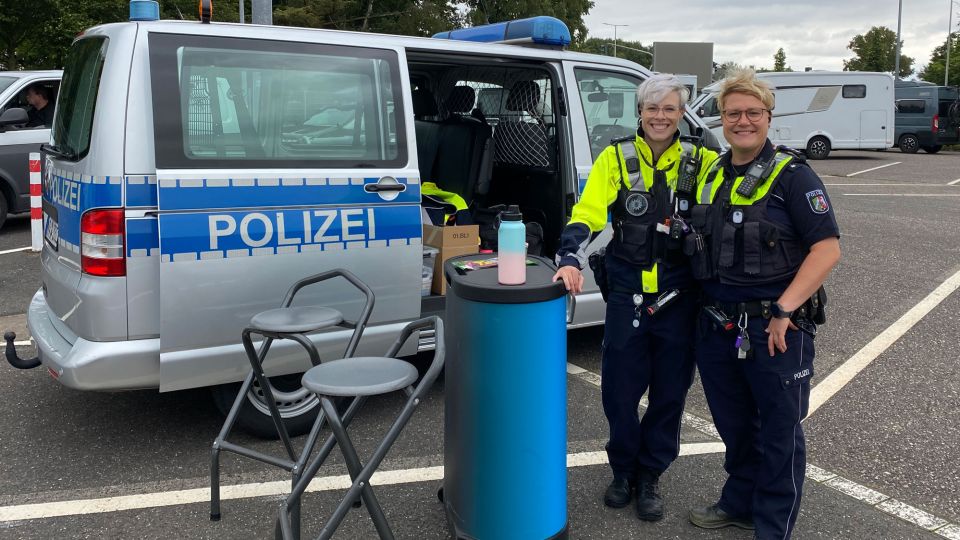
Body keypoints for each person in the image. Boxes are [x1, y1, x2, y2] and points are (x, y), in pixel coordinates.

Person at [552, 74, 718, 521]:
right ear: (639, 112)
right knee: (619, 391)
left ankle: (650, 475)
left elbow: (724, 222)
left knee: (670, 391)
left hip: (680, 295)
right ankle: (622, 471)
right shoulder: (615, 157)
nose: (660, 117)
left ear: (681, 114)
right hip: (628, 292)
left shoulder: (703, 160)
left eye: (669, 109)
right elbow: (588, 212)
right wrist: (570, 256)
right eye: (652, 108)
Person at [686, 69, 841, 540]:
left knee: (778, 433)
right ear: (722, 118)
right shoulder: (711, 170)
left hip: (775, 330)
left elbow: (827, 248)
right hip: (718, 326)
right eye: (733, 113)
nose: (743, 121)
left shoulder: (794, 177)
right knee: (734, 425)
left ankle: (772, 527)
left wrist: (785, 310)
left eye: (753, 112)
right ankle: (740, 502)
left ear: (768, 117)